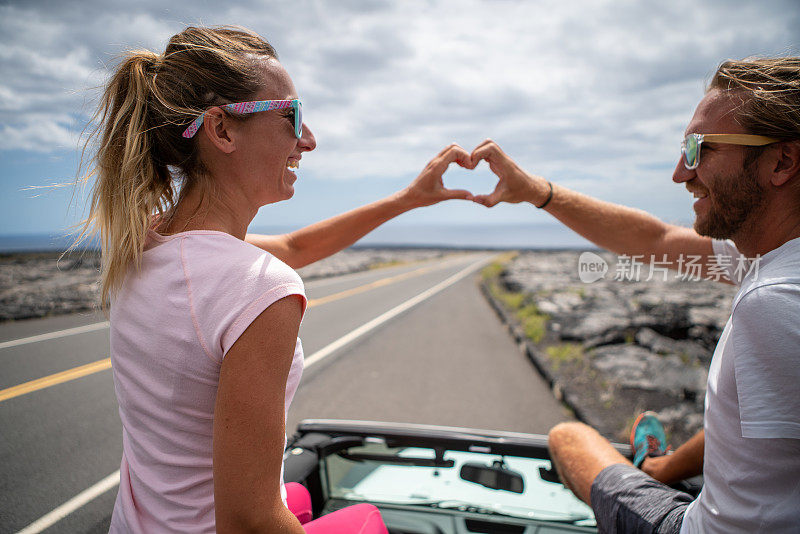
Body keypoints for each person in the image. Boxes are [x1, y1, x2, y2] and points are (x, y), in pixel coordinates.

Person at [74, 26, 475, 533]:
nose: (308, 139)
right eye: (292, 116)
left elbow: (298, 247)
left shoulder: (148, 239)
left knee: (302, 496)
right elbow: (248, 521)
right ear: (222, 131)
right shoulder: (259, 288)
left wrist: (408, 198)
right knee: (366, 519)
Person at [468, 57, 800, 532]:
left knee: (570, 438)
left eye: (698, 148)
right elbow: (655, 241)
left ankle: (652, 465)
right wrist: (537, 190)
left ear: (782, 161)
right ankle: (659, 466)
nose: (680, 174)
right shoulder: (769, 257)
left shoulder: (775, 299)